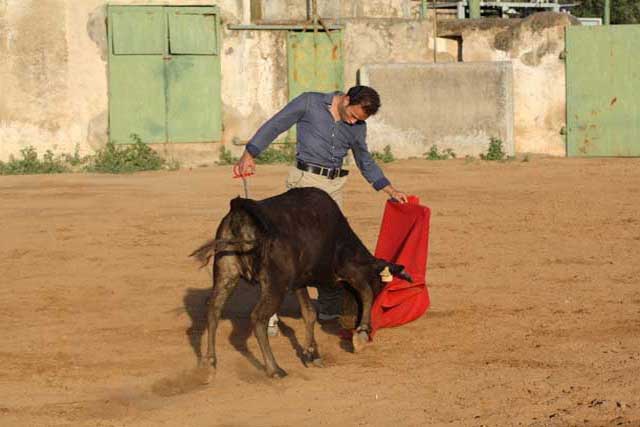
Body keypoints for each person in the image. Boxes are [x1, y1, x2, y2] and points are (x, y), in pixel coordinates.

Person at [235, 85, 408, 336]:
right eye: (352, 115)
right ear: (346, 99)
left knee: (331, 249)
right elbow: (276, 124)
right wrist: (249, 154)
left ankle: (329, 308)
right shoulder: (309, 103)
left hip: (334, 187)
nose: (353, 122)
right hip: (304, 182)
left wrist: (389, 189)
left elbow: (364, 159)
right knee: (292, 251)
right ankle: (270, 311)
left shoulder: (358, 125)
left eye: (359, 120)